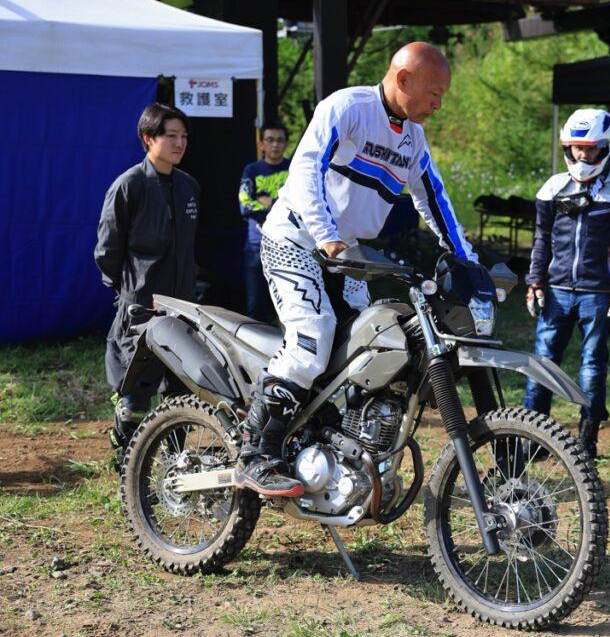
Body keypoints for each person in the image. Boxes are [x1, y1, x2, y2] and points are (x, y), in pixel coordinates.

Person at [235, 42, 482, 496]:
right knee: (312, 337)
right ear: (403, 79)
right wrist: (325, 234)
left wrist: (470, 263)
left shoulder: (413, 139)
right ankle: (256, 453)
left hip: (346, 254)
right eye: (434, 93)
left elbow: (435, 201)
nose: (438, 104)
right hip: (296, 238)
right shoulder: (348, 107)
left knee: (366, 348)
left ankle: (331, 446)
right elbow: (305, 170)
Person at [523, 109, 610, 457]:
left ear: (607, 147)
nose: (583, 155)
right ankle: (533, 439)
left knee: (592, 365)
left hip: (599, 293)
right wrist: (535, 281)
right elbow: (541, 240)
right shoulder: (552, 188)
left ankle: (587, 440)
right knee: (541, 364)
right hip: (556, 291)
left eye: (591, 148)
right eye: (577, 148)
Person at [95, 103, 200, 462]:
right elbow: (107, 251)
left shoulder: (189, 187)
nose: (179, 143)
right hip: (141, 309)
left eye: (183, 136)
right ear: (148, 138)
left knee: (180, 390)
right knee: (135, 396)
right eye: (171, 136)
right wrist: (130, 289)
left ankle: (174, 463)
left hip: (181, 310)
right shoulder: (129, 186)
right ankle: (128, 463)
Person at [239, 122, 291, 322]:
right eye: (270, 140)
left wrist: (269, 202)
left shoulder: (294, 169)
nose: (275, 145)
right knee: (255, 306)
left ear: (286, 144)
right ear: (261, 144)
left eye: (279, 140)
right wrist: (280, 205)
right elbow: (244, 205)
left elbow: (298, 205)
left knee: (289, 307)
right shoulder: (252, 170)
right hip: (256, 246)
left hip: (287, 247)